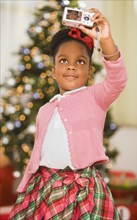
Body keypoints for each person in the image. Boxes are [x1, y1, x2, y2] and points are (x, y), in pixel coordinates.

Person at [9, 8, 127, 220]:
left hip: (84, 190)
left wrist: (106, 39)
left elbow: (117, 79)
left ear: (89, 71)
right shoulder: (45, 110)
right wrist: (27, 186)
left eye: (80, 61)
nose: (71, 67)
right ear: (53, 70)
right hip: (45, 186)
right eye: (63, 61)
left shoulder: (95, 98)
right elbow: (37, 152)